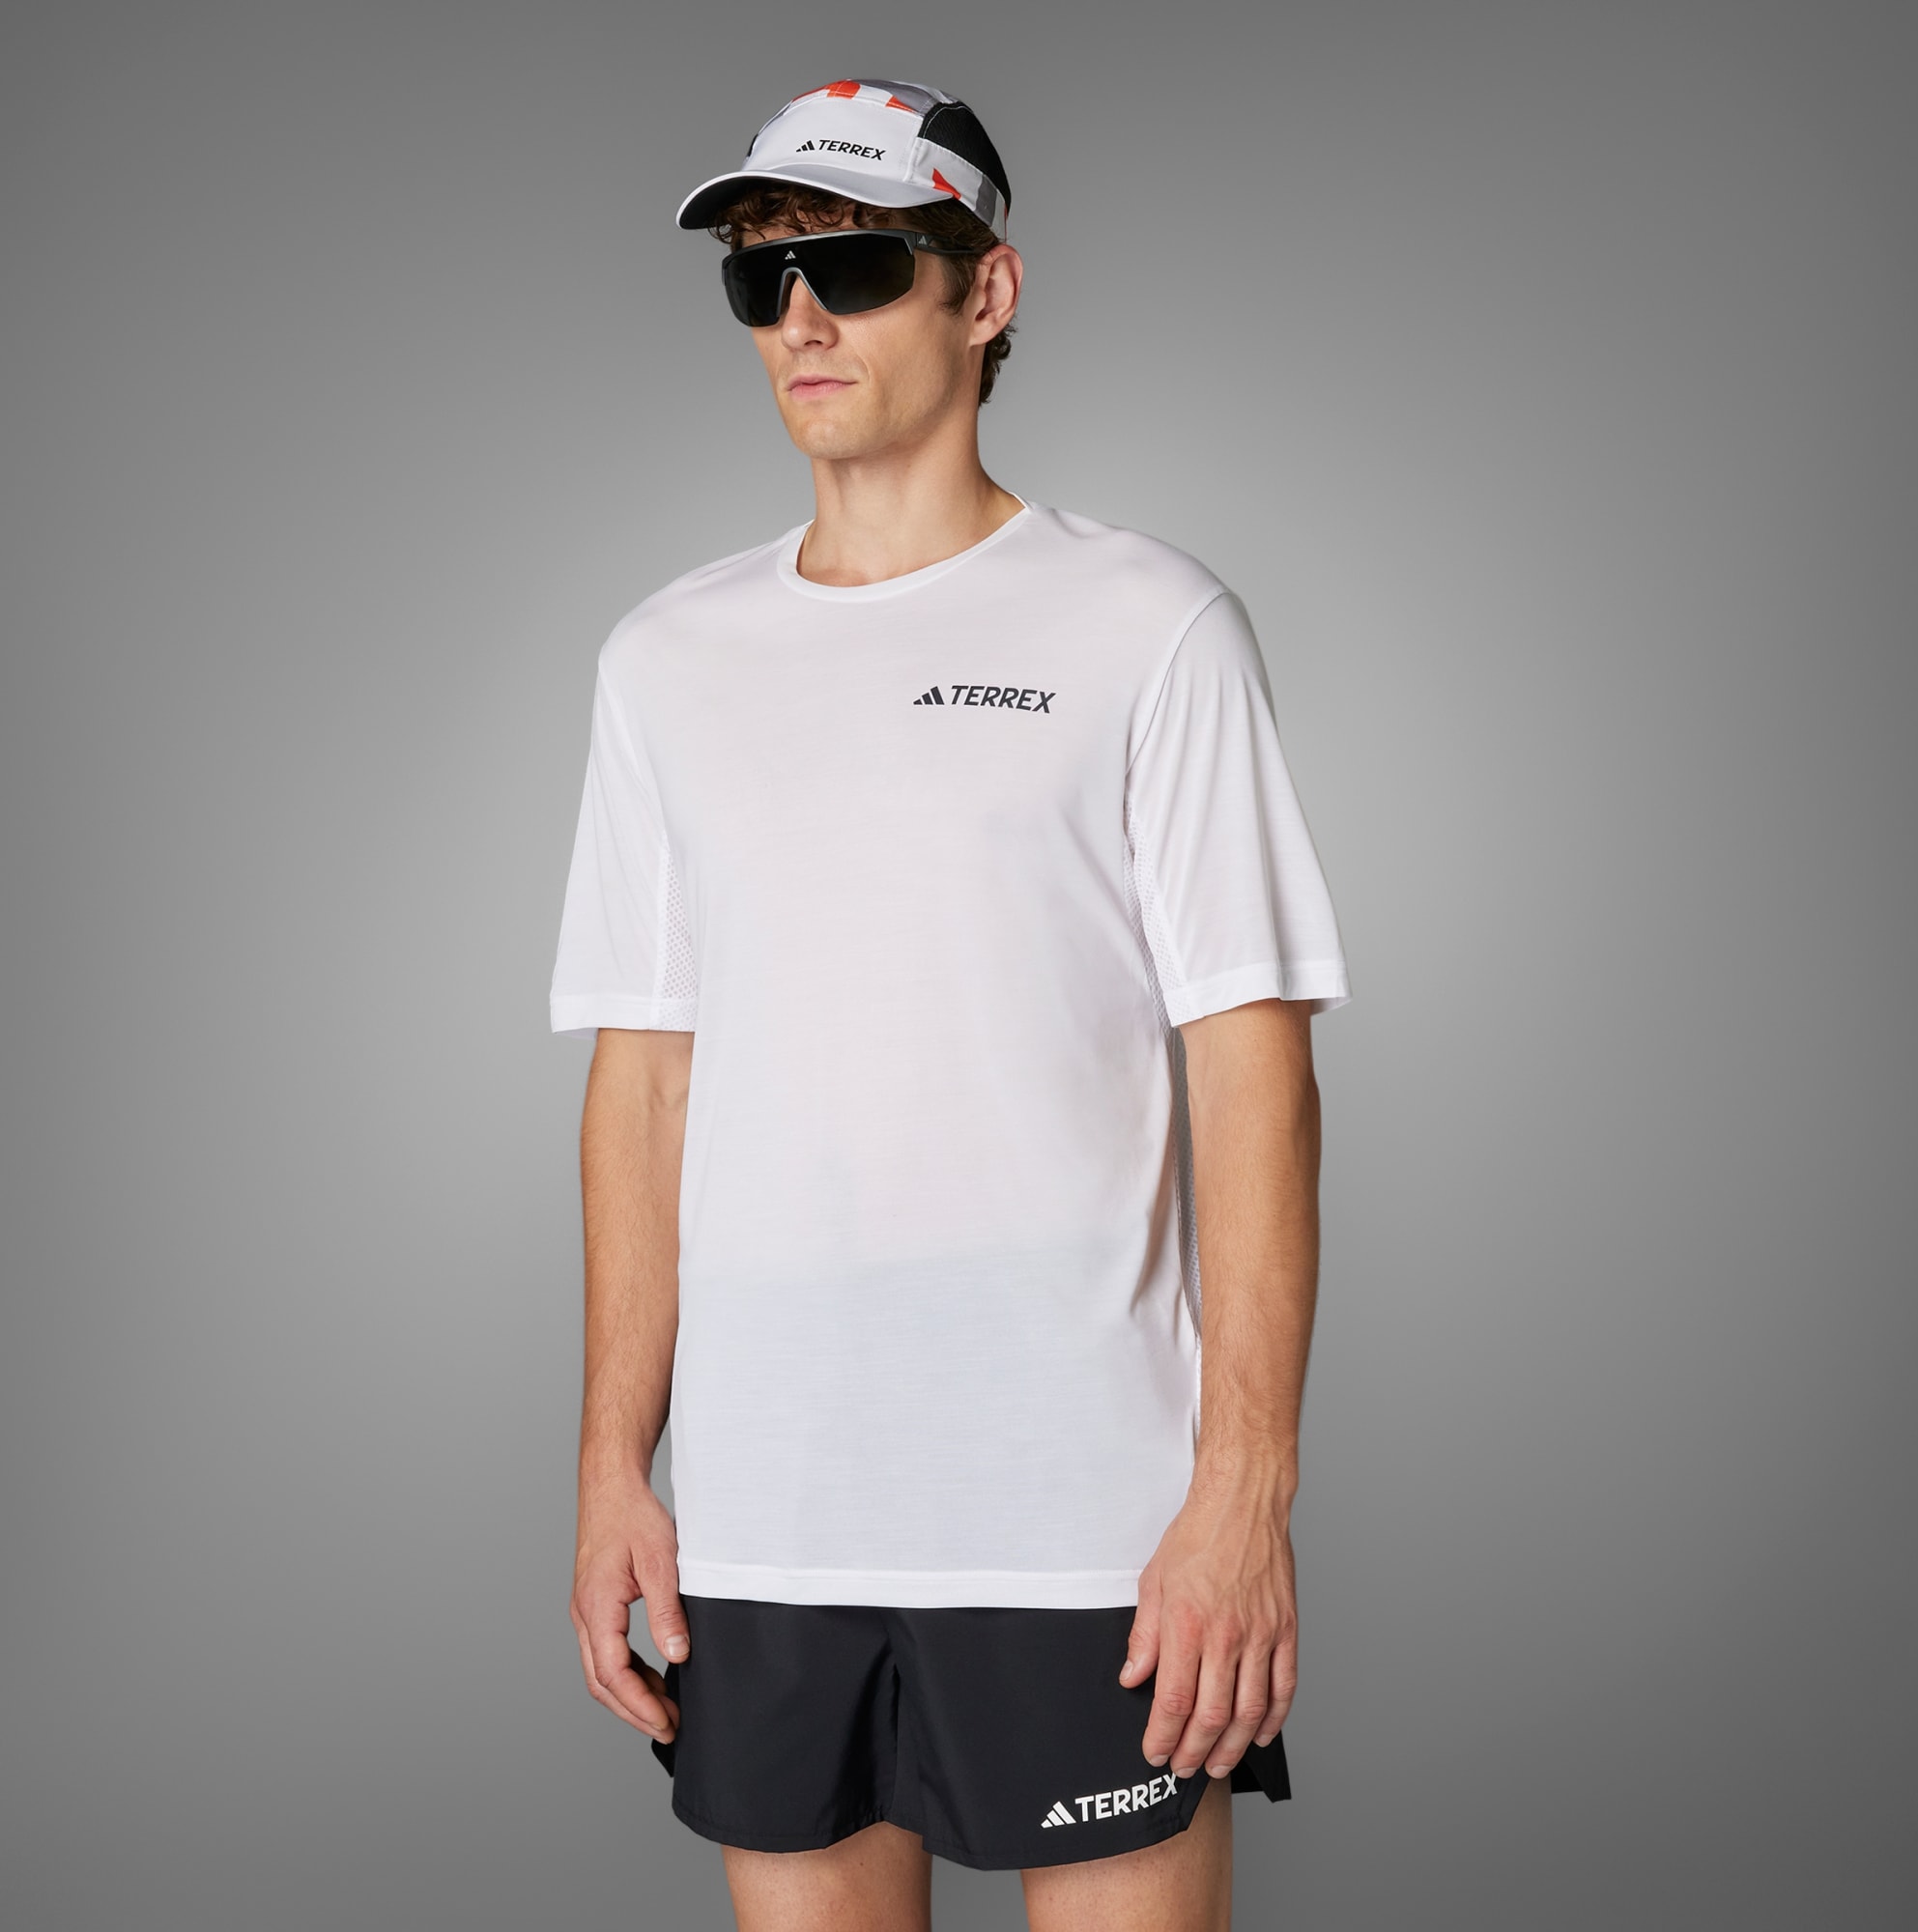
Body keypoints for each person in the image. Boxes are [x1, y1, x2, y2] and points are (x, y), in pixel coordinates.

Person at [550, 75, 1350, 1932]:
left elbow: (1253, 1076)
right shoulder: (666, 660)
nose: (801, 318)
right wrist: (610, 1468)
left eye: (852, 265)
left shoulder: (1149, 626)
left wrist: (1244, 1494)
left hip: (1088, 1519)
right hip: (767, 1515)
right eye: (761, 279)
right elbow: (644, 1085)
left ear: (983, 293)